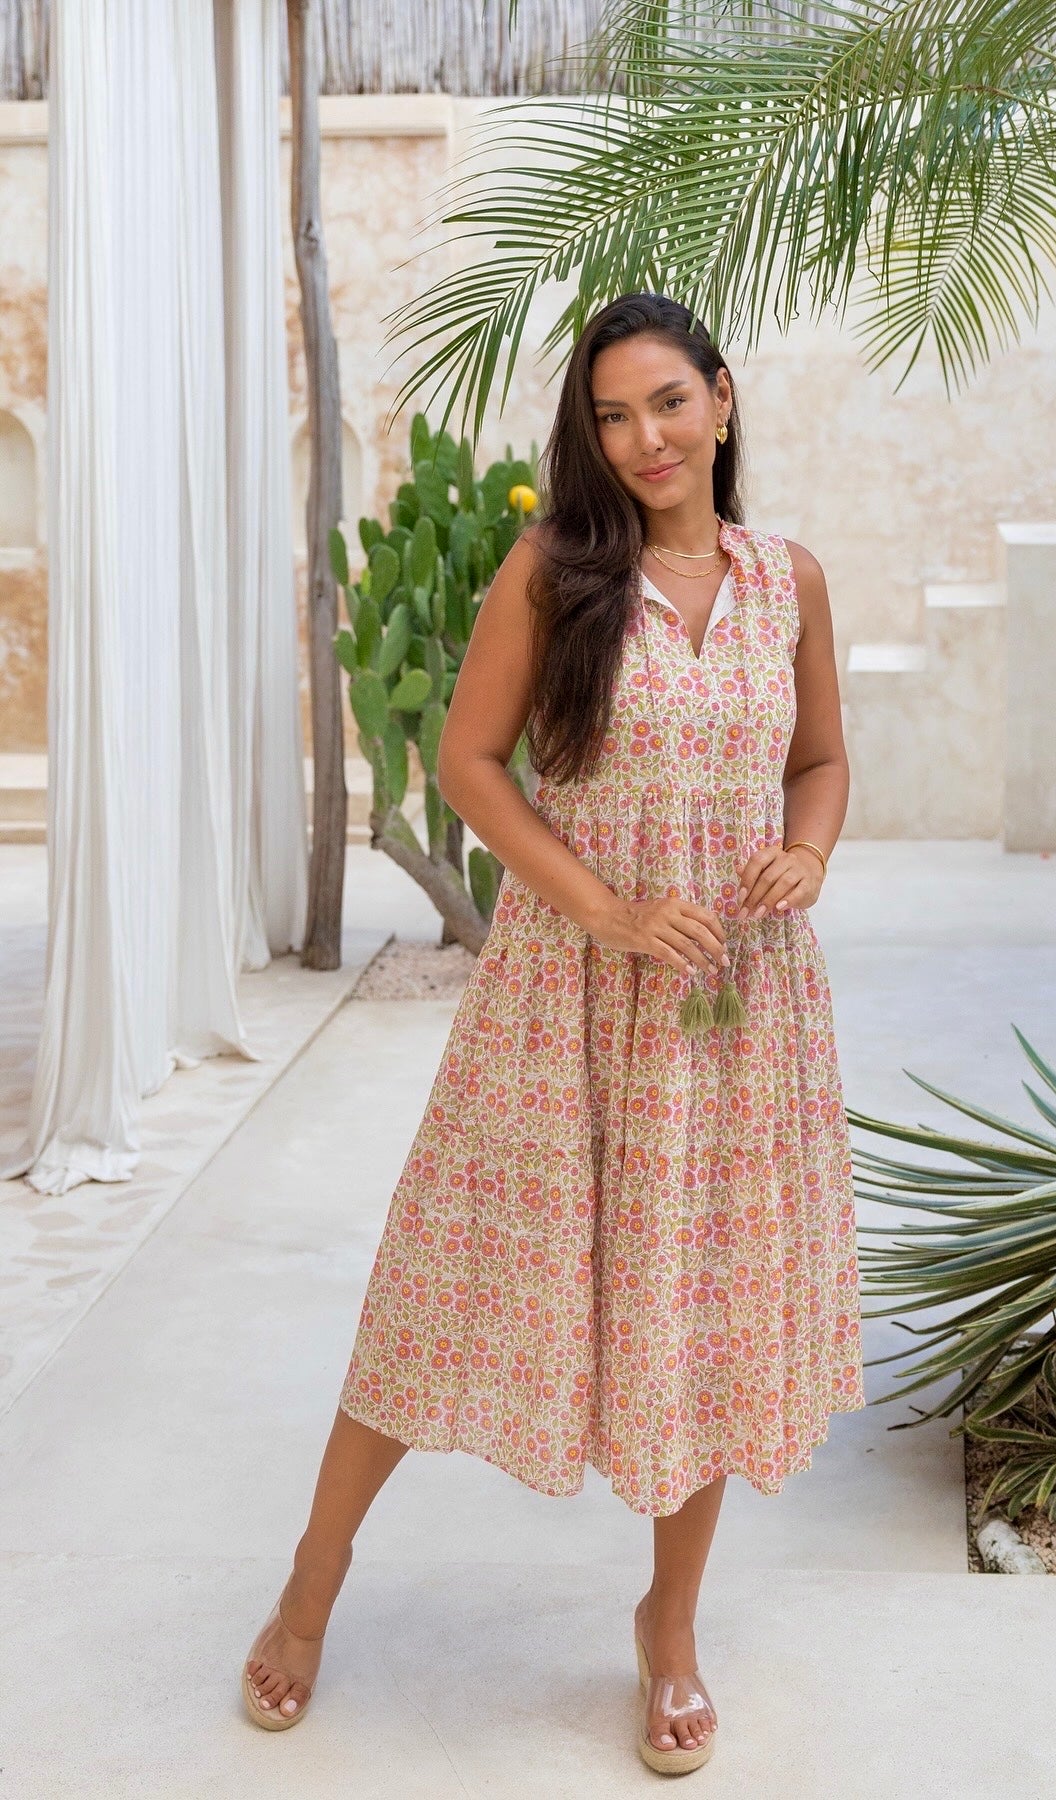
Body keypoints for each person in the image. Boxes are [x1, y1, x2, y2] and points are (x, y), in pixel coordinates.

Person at [241, 292, 866, 1775]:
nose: (642, 438)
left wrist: (812, 850)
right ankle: (310, 1590)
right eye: (611, 415)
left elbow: (826, 757)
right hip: (564, 999)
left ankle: (670, 1631)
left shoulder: (790, 580)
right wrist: (601, 909)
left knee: (698, 1321)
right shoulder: (554, 572)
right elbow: (468, 762)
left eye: (666, 402)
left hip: (735, 1008)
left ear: (722, 398)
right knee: (440, 1289)